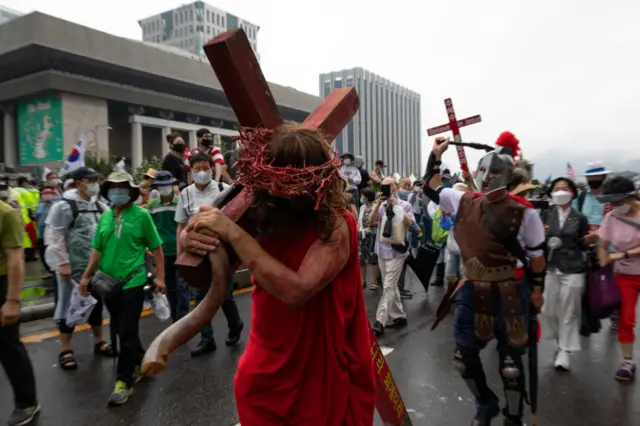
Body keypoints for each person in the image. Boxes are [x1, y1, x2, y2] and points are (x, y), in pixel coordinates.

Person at [181, 124, 375, 425]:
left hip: (319, 381)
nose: (281, 193)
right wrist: (192, 239)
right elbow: (209, 239)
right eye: (276, 183)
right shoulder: (261, 213)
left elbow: (296, 290)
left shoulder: (336, 223)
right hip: (264, 377)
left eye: (292, 184)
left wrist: (231, 232)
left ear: (316, 181)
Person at [428, 132, 546, 426]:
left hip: (512, 290)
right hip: (473, 289)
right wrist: (436, 154)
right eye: (485, 171)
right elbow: (430, 188)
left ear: (508, 175)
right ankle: (485, 403)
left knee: (511, 365)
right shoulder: (464, 201)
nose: (490, 176)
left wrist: (538, 289)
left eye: (496, 172)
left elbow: (537, 254)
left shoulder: (525, 212)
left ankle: (514, 414)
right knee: (462, 358)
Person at [80, 171, 165, 406]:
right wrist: (86, 277)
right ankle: (139, 360)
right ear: (108, 191)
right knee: (118, 327)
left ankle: (123, 381)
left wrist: (160, 277)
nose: (117, 191)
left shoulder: (141, 216)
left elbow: (156, 249)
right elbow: (97, 251)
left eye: (122, 187)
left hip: (133, 281)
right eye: (113, 187)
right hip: (108, 283)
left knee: (126, 330)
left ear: (130, 191)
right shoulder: (105, 217)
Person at [45, 167, 114, 370]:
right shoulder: (64, 207)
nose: (95, 183)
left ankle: (98, 340)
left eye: (97, 179)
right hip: (72, 269)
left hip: (95, 267)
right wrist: (63, 263)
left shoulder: (101, 207)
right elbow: (54, 236)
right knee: (69, 306)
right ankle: (65, 348)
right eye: (90, 180)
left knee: (96, 304)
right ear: (78, 183)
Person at [175, 153, 244, 356]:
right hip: (195, 254)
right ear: (191, 171)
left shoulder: (224, 190)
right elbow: (181, 227)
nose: (202, 172)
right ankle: (207, 339)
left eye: (205, 168)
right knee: (199, 297)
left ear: (211, 169)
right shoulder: (185, 194)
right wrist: (181, 254)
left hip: (221, 252)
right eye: (197, 169)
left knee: (225, 295)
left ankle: (235, 325)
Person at [541, 177, 589, 371]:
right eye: (557, 189)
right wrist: (541, 234)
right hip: (550, 266)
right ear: (551, 193)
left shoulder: (580, 218)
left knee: (569, 310)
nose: (561, 192)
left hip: (572, 267)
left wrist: (589, 240)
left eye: (565, 188)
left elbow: (583, 243)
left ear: (572, 193)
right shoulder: (545, 215)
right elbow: (535, 242)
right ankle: (559, 338)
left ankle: (563, 350)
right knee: (548, 308)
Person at [0, 200, 40, 426]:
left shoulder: (5, 214)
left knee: (8, 346)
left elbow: (16, 259)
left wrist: (12, 301)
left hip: (2, 283)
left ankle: (27, 402)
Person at [596, 176, 640, 381]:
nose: (615, 206)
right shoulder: (612, 217)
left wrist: (623, 255)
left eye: (618, 202)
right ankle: (627, 362)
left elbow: (617, 253)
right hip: (625, 276)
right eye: (612, 203)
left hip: (627, 262)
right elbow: (602, 246)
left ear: (631, 197)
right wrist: (602, 264)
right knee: (625, 318)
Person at [368, 177, 415, 336]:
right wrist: (376, 207)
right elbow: (371, 222)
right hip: (382, 249)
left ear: (395, 187)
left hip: (397, 251)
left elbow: (411, 224)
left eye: (390, 186)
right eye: (384, 186)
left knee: (388, 286)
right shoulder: (380, 205)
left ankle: (379, 321)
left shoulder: (405, 205)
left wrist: (398, 208)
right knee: (391, 285)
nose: (387, 189)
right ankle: (399, 316)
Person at [147, 171, 190, 322]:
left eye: (167, 185)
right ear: (157, 187)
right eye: (161, 186)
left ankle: (183, 318)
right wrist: (149, 249)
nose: (165, 188)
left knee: (183, 286)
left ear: (172, 185)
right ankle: (176, 319)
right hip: (162, 253)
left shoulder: (181, 202)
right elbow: (149, 229)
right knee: (170, 288)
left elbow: (184, 225)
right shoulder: (152, 205)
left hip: (180, 250)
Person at [358, 188, 379, 290]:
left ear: (367, 197)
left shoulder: (376, 207)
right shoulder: (362, 207)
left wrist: (372, 224)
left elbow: (380, 221)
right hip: (363, 235)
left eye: (362, 196)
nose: (361, 198)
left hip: (373, 235)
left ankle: (374, 281)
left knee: (373, 258)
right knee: (362, 258)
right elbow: (359, 220)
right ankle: (363, 280)